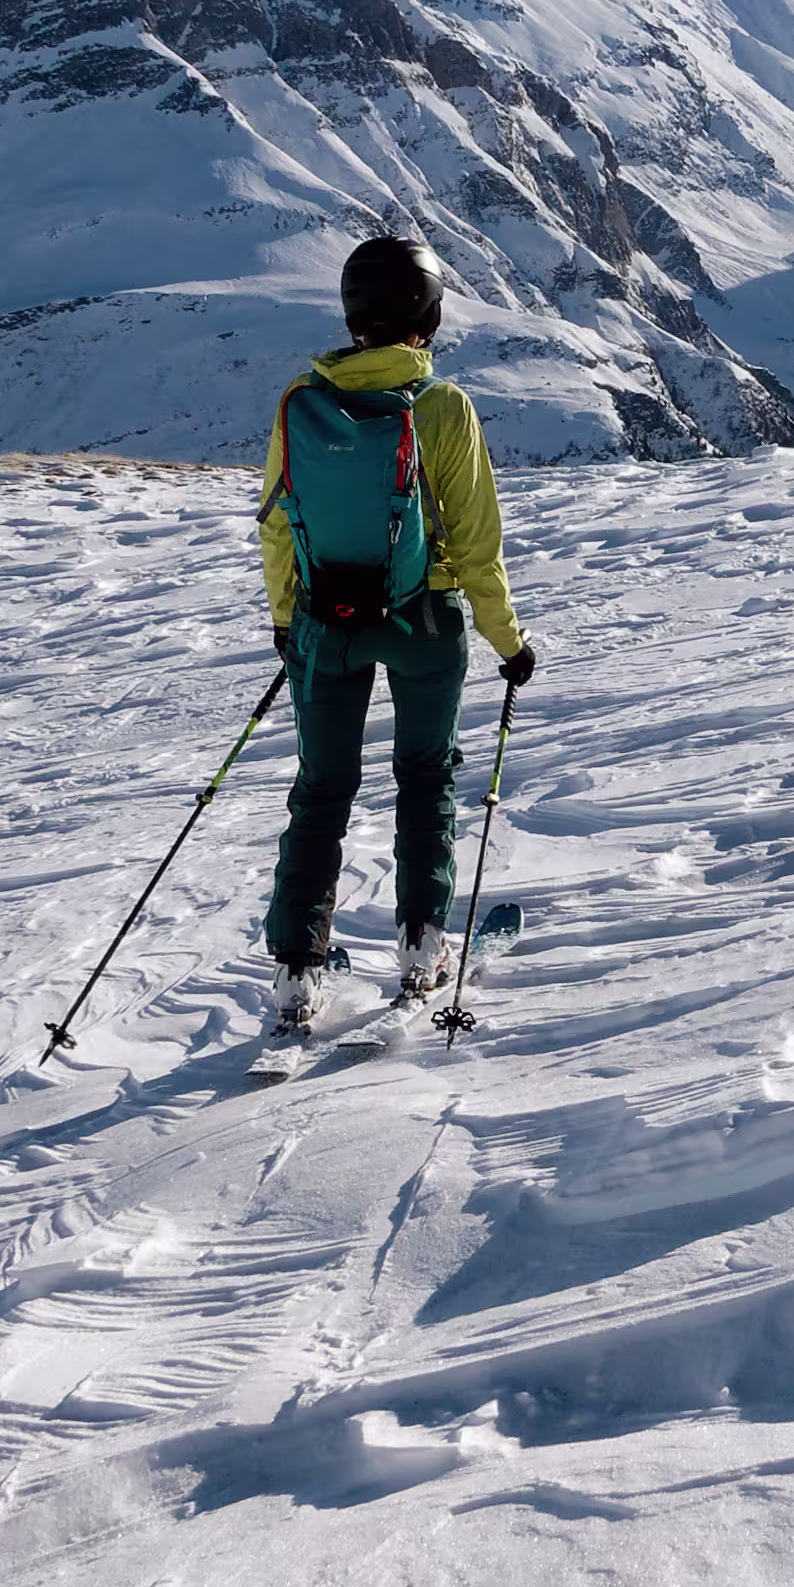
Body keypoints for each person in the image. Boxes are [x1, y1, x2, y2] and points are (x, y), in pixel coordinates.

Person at [257, 235, 537, 1026]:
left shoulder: (298, 401)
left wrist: (289, 622)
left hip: (325, 627)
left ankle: (297, 971)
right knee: (425, 777)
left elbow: (278, 526)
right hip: (422, 623)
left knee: (320, 793)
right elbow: (478, 547)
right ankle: (422, 945)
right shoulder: (443, 408)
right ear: (429, 314)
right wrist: (508, 643)